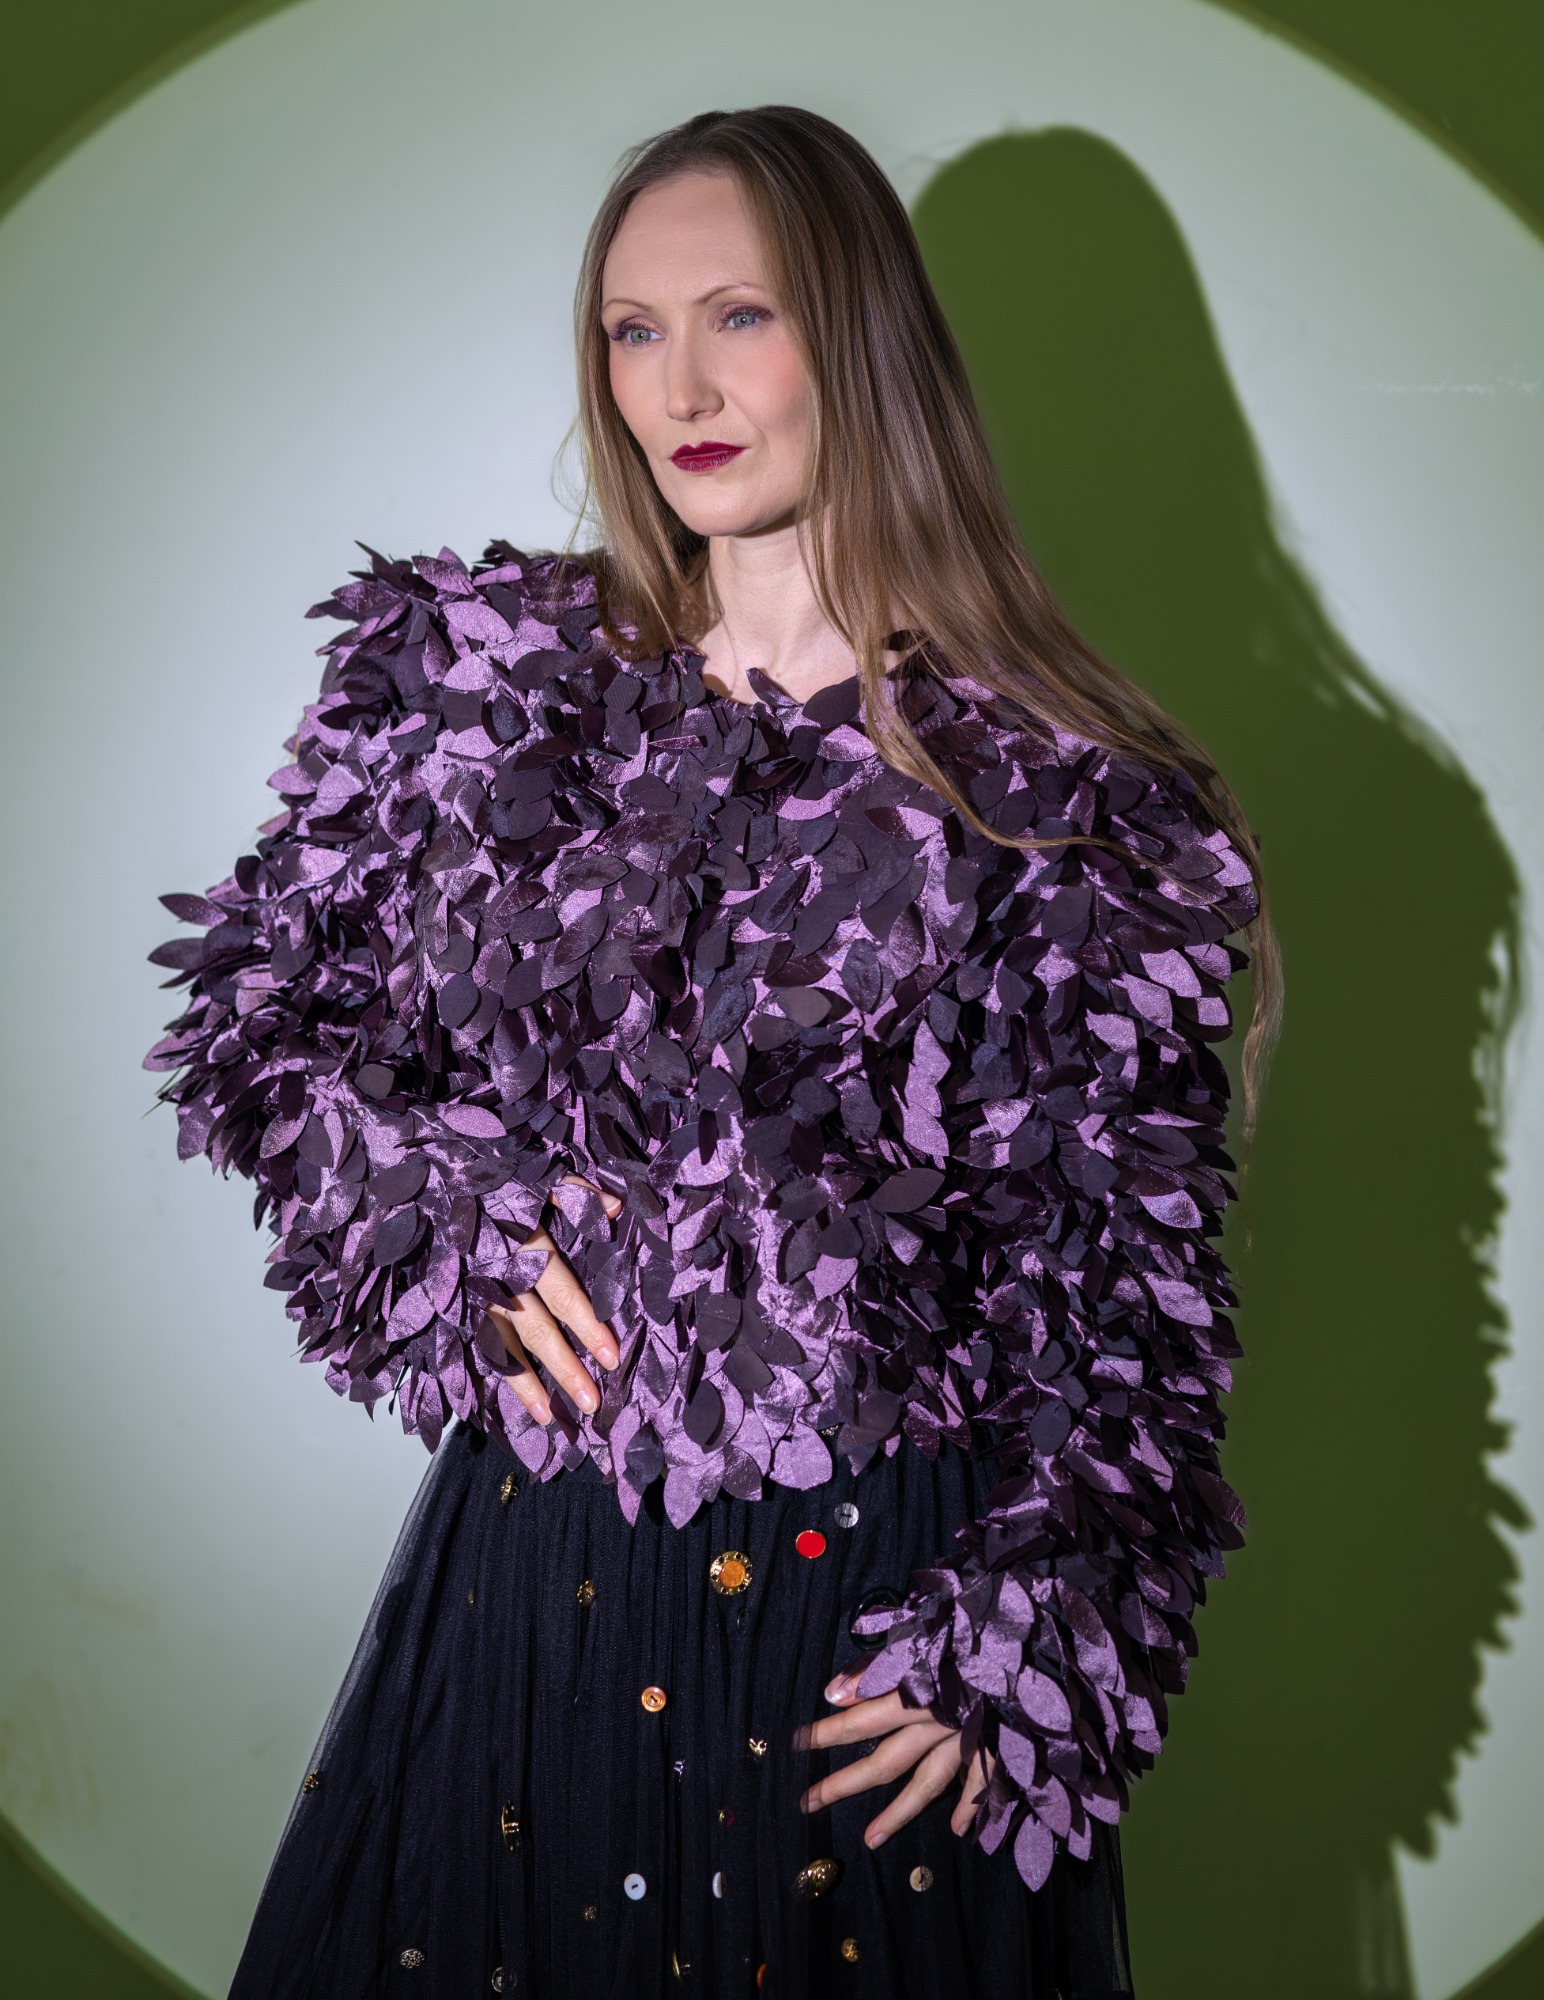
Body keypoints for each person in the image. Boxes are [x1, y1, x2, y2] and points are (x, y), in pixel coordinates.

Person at [146, 104, 1275, 2000]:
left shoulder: (1076, 807)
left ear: (859, 336)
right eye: (632, 330)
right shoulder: (478, 687)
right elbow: (255, 1020)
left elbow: (1126, 1313)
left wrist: (1033, 1636)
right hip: (541, 1593)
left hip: (878, 1633)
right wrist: (451, 1212)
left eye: (742, 315)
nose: (680, 386)